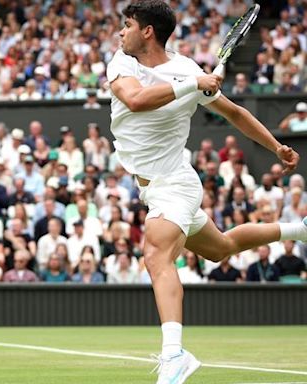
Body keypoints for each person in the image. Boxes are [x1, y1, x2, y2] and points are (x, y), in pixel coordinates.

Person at [108, 2, 302, 382]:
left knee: (155, 255)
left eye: (127, 25)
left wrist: (276, 147)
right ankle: (302, 229)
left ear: (148, 31)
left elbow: (236, 114)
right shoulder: (124, 62)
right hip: (153, 187)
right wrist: (193, 84)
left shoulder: (187, 70)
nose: (121, 32)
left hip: (175, 184)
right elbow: (136, 101)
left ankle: (174, 354)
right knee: (222, 249)